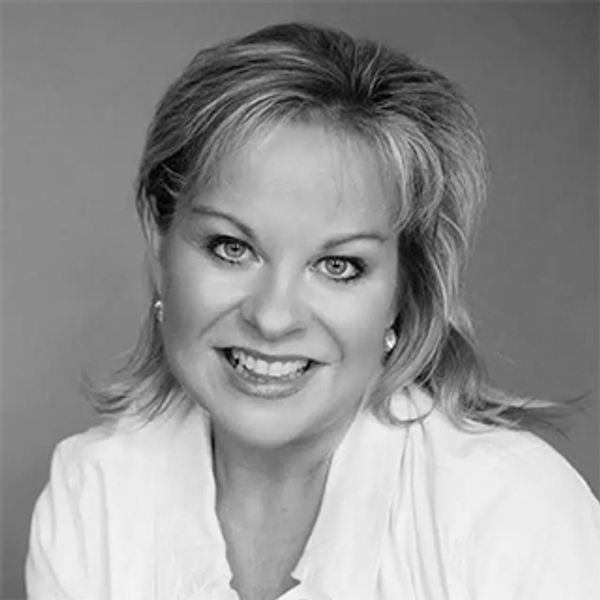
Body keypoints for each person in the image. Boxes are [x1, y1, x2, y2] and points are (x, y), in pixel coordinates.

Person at [25, 22, 600, 600]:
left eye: (338, 266)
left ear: (404, 289)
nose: (273, 318)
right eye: (232, 248)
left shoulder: (513, 512)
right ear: (159, 243)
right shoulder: (94, 494)